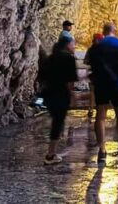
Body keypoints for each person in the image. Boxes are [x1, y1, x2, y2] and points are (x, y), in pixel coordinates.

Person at [91, 23, 118, 163]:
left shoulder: (97, 45)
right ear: (115, 30)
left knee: (100, 116)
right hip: (117, 84)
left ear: (103, 31)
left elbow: (91, 64)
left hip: (101, 84)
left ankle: (102, 150)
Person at [37, 36, 78, 164]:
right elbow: (71, 80)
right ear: (67, 45)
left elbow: (41, 77)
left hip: (49, 93)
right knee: (58, 123)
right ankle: (50, 154)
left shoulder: (49, 58)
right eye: (72, 44)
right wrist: (71, 95)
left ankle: (53, 149)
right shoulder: (68, 58)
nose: (74, 47)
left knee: (57, 121)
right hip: (61, 93)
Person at [83, 33, 104, 120]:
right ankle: (100, 109)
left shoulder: (90, 49)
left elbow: (85, 61)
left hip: (93, 73)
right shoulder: (103, 50)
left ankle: (91, 109)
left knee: (92, 92)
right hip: (102, 74)